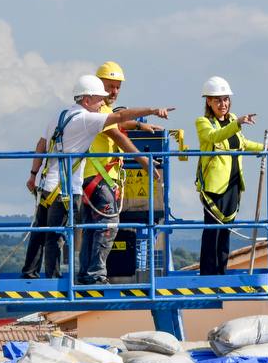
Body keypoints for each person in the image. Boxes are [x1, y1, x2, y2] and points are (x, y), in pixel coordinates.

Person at [22, 74, 172, 280]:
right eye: (99, 98)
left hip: (45, 183)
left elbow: (41, 145)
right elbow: (119, 118)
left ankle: (30, 273)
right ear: (86, 100)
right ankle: (54, 280)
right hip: (64, 188)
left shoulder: (60, 116)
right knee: (56, 235)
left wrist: (33, 175)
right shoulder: (86, 119)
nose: (103, 103)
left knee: (41, 230)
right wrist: (152, 111)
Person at [76, 61, 164, 285]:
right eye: (109, 86)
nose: (114, 91)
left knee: (92, 228)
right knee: (109, 224)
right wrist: (144, 161)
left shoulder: (99, 109)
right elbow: (118, 136)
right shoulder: (97, 111)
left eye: (117, 87)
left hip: (92, 178)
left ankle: (86, 273)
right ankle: (95, 274)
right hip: (98, 178)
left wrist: (140, 126)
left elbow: (120, 118)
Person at [194, 76, 268, 275]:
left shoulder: (231, 120)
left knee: (226, 232)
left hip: (233, 184)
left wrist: (264, 147)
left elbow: (243, 143)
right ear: (209, 102)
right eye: (218, 100)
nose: (223, 104)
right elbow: (214, 137)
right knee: (213, 230)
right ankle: (208, 273)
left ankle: (221, 270)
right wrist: (237, 123)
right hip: (214, 186)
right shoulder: (204, 122)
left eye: (226, 99)